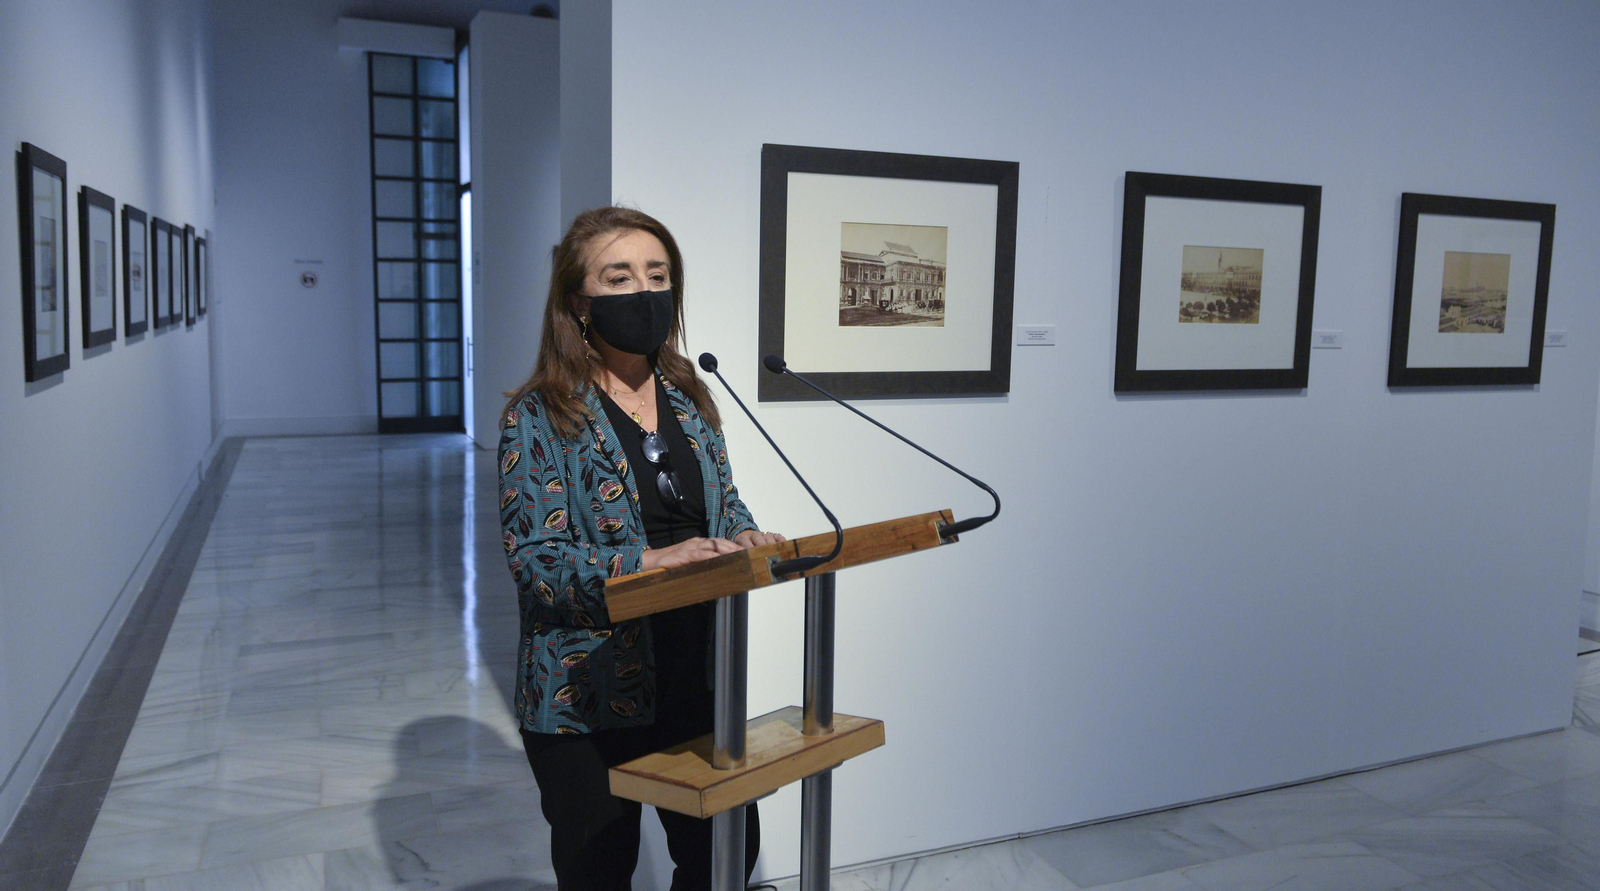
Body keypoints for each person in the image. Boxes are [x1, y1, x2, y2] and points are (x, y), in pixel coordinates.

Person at [499, 206, 782, 891]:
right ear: (579, 301)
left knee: (723, 856)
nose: (643, 292)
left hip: (695, 671)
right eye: (618, 277)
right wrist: (649, 563)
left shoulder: (690, 395)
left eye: (657, 274)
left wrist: (742, 531)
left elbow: (719, 498)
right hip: (587, 692)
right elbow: (537, 561)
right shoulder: (541, 413)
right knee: (599, 868)